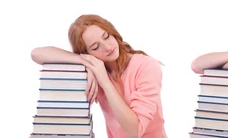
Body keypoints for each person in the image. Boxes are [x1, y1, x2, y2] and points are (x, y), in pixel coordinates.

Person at [30, 14, 167, 138]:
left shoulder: (147, 66)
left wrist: (104, 81)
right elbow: (36, 54)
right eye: (95, 47)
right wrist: (84, 61)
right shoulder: (96, 67)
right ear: (87, 52)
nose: (107, 47)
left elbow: (134, 131)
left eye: (106, 36)